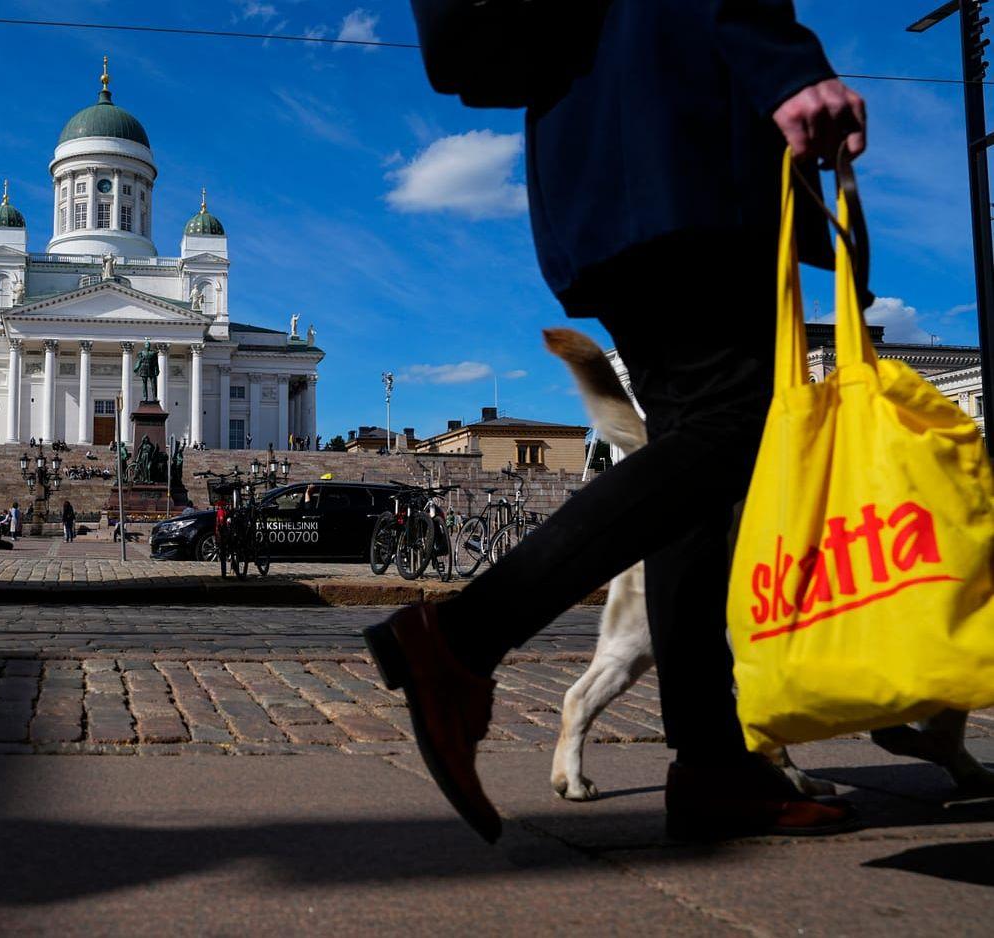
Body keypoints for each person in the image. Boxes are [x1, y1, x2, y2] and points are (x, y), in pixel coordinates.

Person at [369, 0, 865, 844]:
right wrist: (782, 61)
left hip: (600, 156)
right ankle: (458, 637)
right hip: (686, 140)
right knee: (735, 427)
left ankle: (711, 764)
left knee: (692, 467)